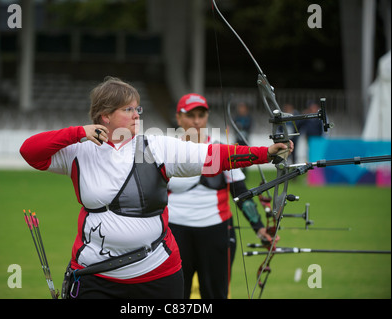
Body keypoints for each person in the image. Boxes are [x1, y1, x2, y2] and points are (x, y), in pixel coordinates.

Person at [19, 77, 293, 299]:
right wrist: (77, 133)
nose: (137, 114)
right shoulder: (78, 151)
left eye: (138, 108)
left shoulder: (155, 145)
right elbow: (29, 151)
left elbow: (213, 156)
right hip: (96, 275)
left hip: (157, 274)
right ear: (104, 116)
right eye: (127, 109)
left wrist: (266, 153)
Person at [168, 93, 276, 299]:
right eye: (190, 116)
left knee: (215, 293)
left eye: (201, 115)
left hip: (216, 232)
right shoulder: (167, 150)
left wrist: (259, 228)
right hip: (175, 233)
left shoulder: (221, 150)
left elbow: (241, 192)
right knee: (175, 295)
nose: (197, 121)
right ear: (179, 118)